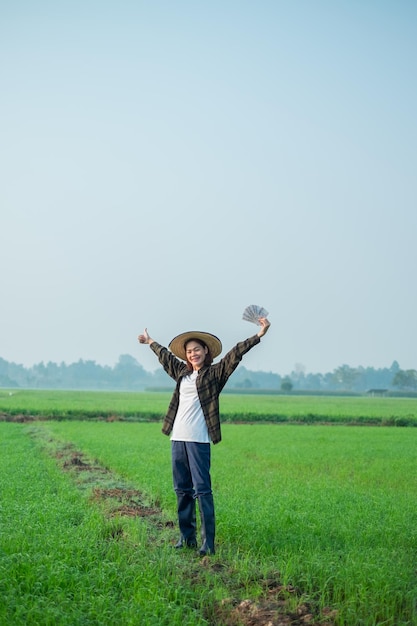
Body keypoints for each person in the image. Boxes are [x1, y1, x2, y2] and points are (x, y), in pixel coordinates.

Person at [138, 317, 270, 556]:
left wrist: (259, 334)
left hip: (198, 439)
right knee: (181, 489)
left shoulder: (215, 374)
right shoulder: (182, 373)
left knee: (202, 490)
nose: (192, 354)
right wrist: (150, 341)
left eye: (197, 349)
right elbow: (166, 357)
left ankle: (208, 543)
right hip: (177, 437)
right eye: (189, 351)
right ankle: (186, 538)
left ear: (206, 351)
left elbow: (234, 354)